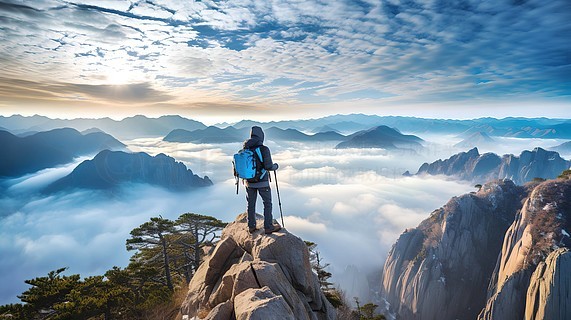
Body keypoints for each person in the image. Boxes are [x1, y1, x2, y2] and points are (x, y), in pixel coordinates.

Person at [242, 126, 281, 234]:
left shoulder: (246, 148)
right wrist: (276, 166)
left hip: (249, 182)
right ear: (261, 136)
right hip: (262, 182)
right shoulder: (263, 149)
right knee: (267, 203)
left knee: (251, 204)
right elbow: (268, 166)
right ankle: (268, 227)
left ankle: (251, 226)